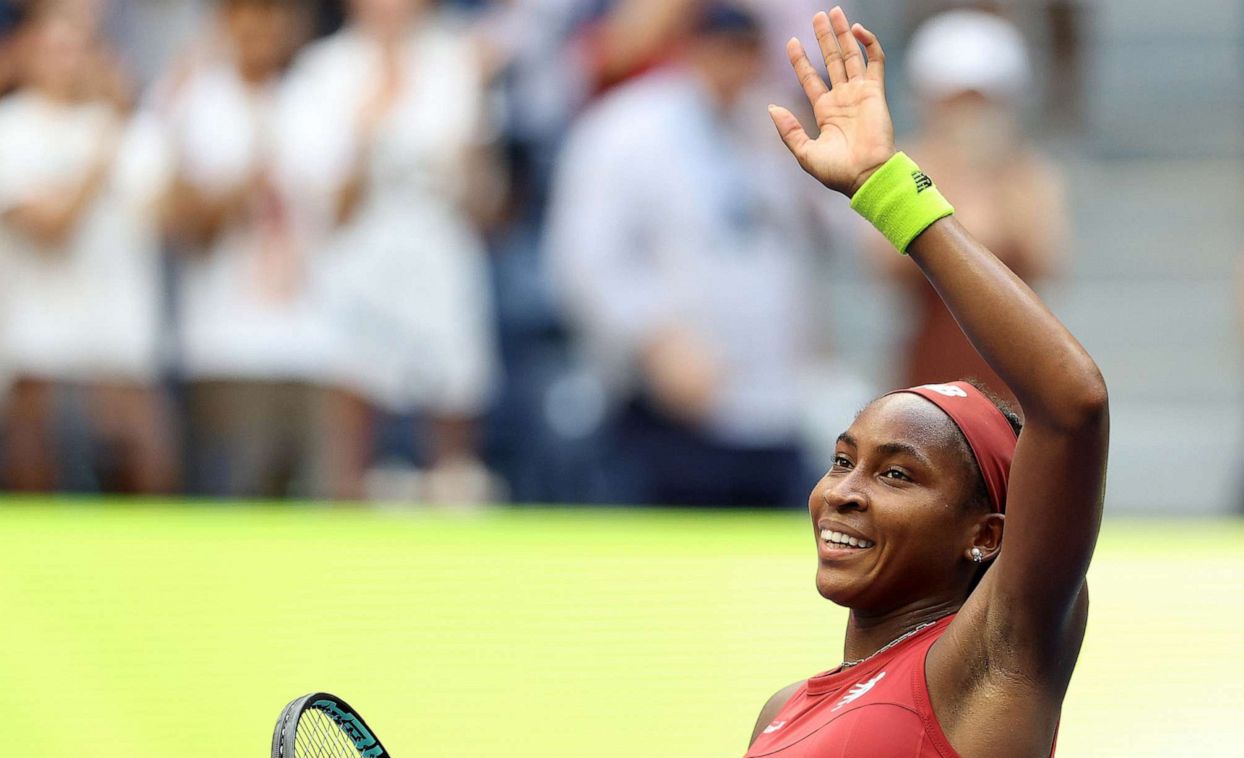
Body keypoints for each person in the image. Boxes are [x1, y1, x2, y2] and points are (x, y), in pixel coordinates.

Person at [712, 8, 1107, 758]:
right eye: (842, 459)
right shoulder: (782, 712)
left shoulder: (995, 658)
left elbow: (1073, 404)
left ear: (987, 535)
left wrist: (887, 188)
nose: (843, 492)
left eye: (896, 474)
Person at [546, 2, 820, 508]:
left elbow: (811, 237)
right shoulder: (630, 126)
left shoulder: (774, 128)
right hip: (670, 404)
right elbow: (585, 254)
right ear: (690, 48)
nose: (732, 66)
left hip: (774, 399)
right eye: (720, 50)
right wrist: (652, 338)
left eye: (745, 52)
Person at [276, 0, 499, 502]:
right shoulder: (323, 71)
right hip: (356, 257)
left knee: (453, 408)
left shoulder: (457, 62)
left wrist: (473, 163)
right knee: (351, 408)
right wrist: (366, 129)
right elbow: (325, 202)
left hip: (439, 252)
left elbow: (484, 199)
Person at [159, 0, 333, 498]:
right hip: (225, 342)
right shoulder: (195, 102)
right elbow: (178, 225)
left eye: (273, 16)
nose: (262, 30)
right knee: (233, 494)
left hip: (309, 338)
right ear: (225, 24)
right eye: (248, 16)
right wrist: (239, 187)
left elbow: (343, 213)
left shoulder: (311, 100)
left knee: (307, 501)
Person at [0, 2, 174, 493]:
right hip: (37, 337)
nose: (67, 63)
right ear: (27, 53)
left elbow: (167, 216)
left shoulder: (132, 127)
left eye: (78, 50)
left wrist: (156, 109)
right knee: (32, 464)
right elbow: (53, 226)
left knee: (142, 462)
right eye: (55, 50)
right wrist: (103, 150)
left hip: (117, 334)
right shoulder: (10, 128)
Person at [870, 7, 1069, 407]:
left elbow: (1046, 261)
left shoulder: (1027, 173)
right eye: (956, 101)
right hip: (928, 374)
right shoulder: (908, 165)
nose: (969, 116)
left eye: (980, 102)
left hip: (1011, 376)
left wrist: (992, 181)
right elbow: (884, 263)